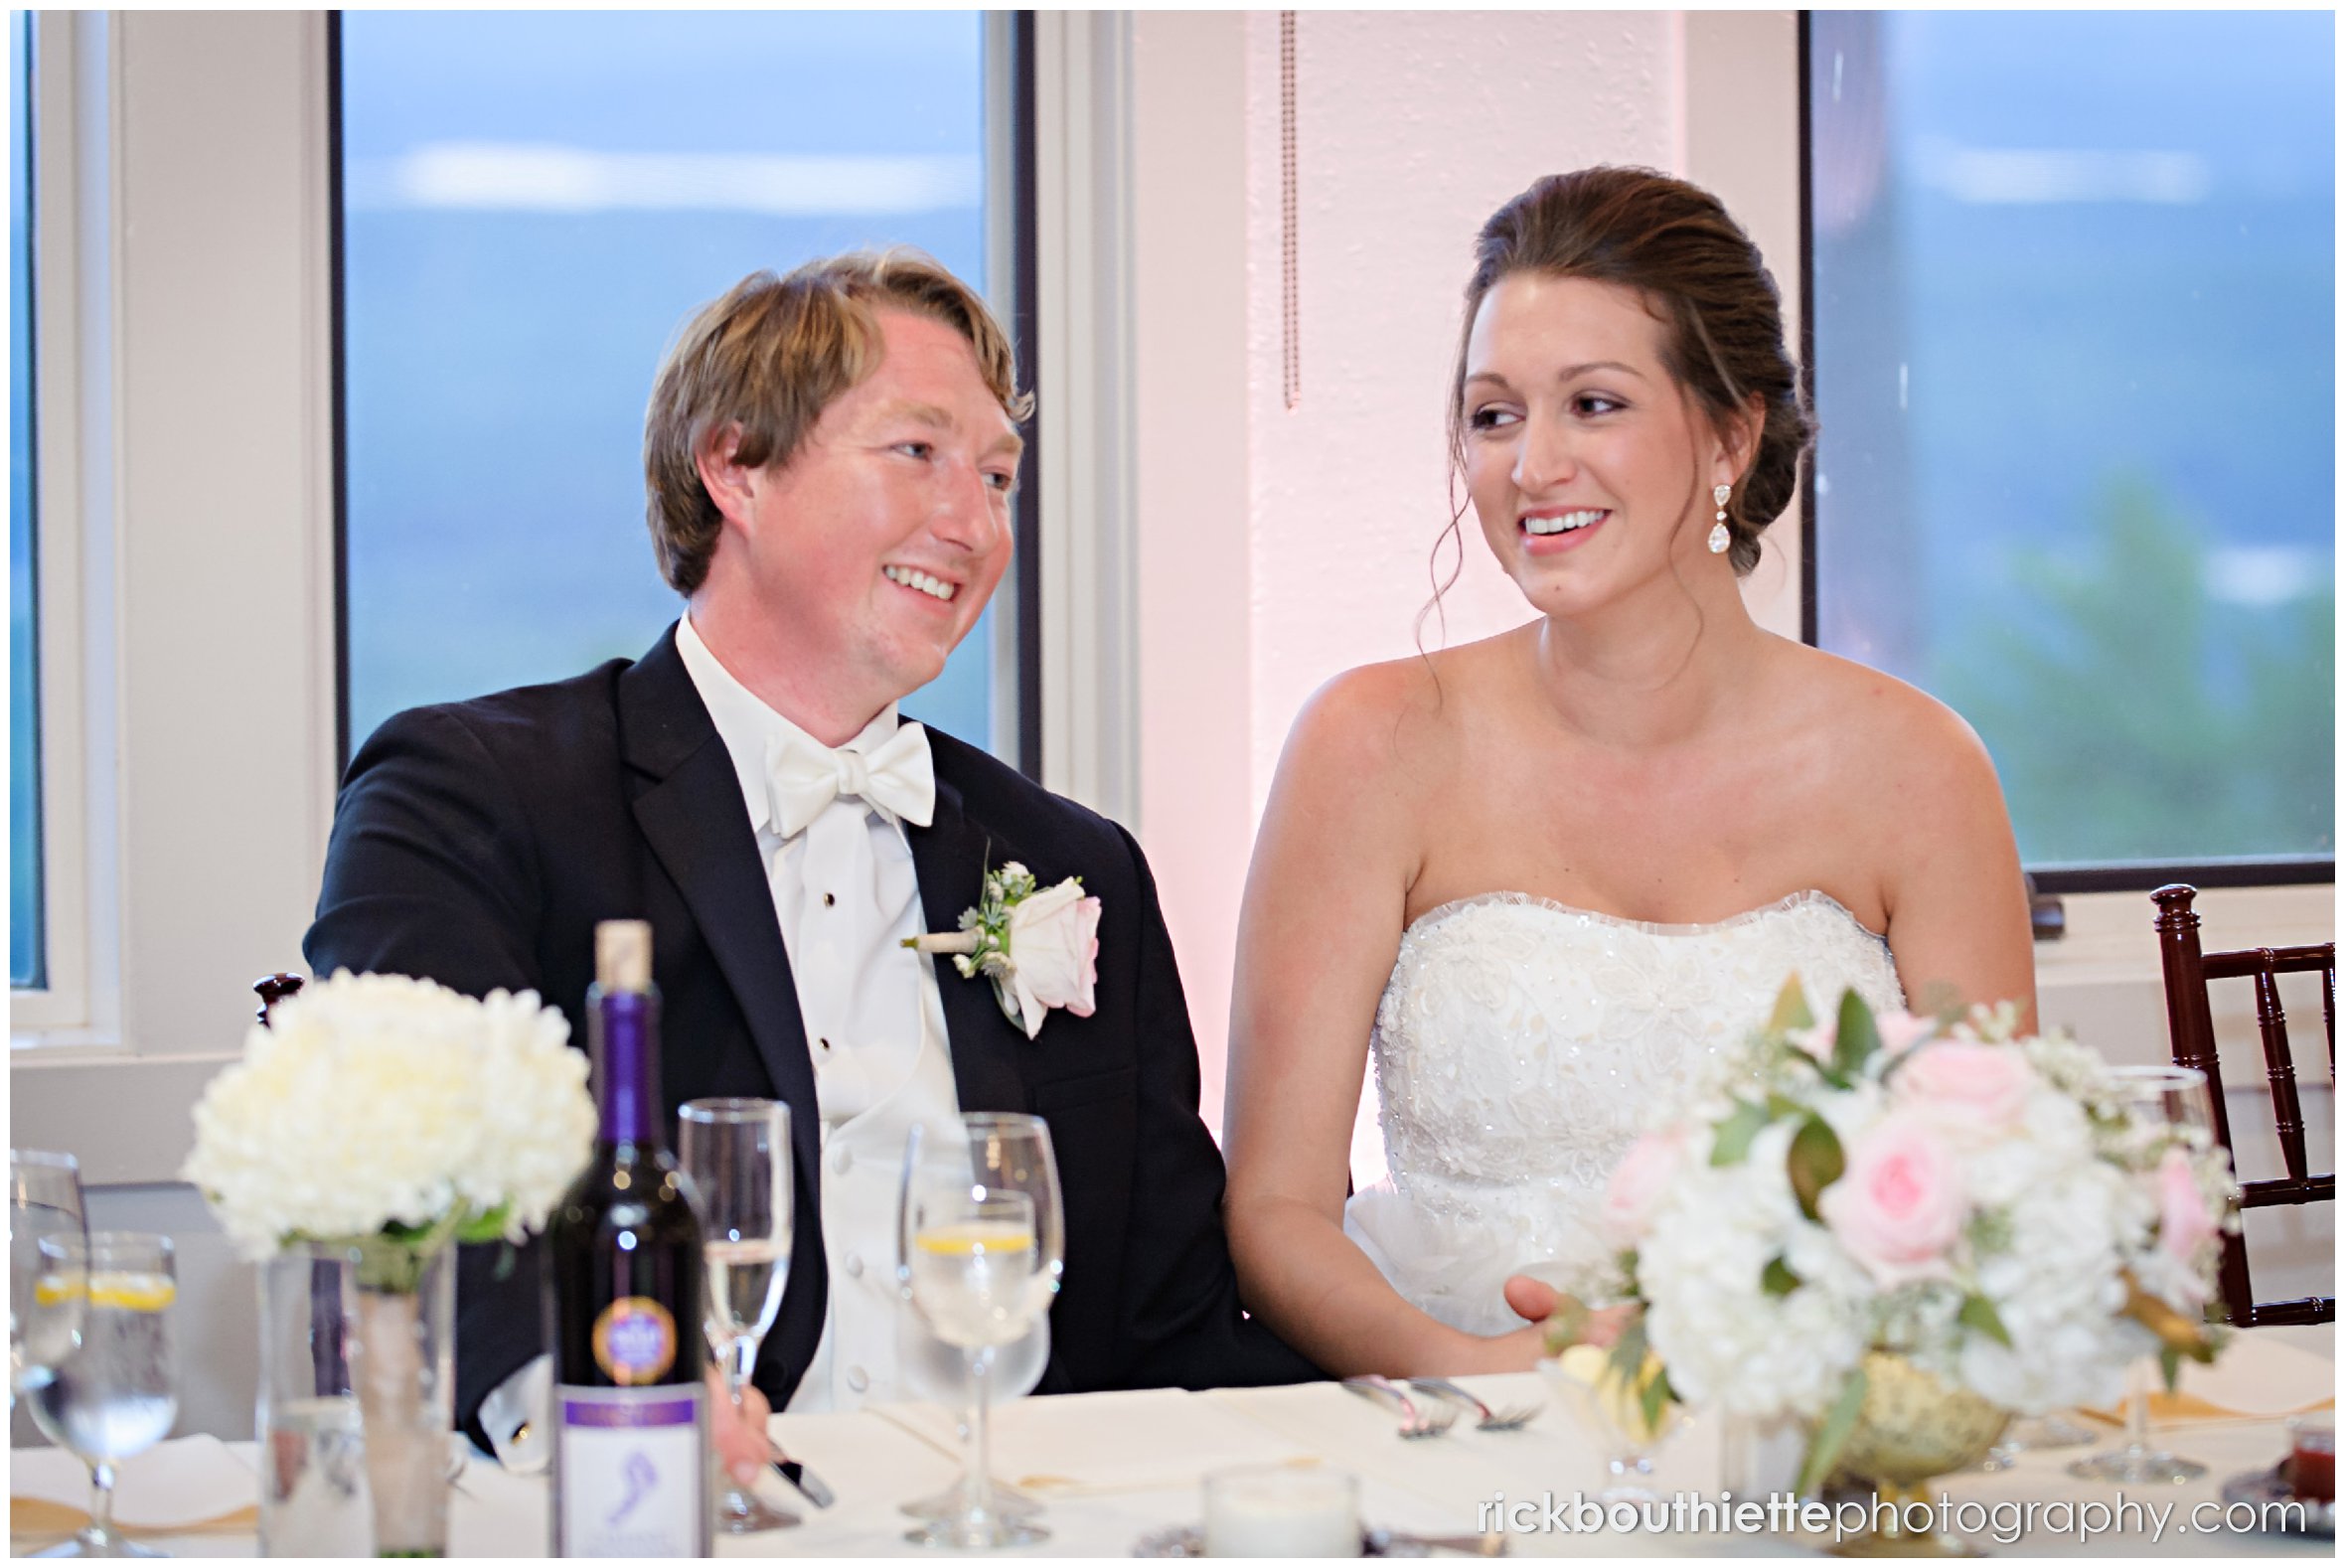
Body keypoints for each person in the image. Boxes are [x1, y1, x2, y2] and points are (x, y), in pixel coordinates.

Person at [307, 251, 1319, 1485]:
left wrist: (1423, 1424)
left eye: (997, 476)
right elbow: (419, 1169)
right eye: (916, 454)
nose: (973, 522)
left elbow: (1173, 1326)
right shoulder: (475, 791)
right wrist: (601, 1418)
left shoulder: (1074, 862)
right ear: (735, 468)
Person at [1221, 167, 2036, 1379]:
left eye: (1591, 404)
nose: (1530, 465)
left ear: (1730, 432)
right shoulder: (1370, 742)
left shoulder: (1917, 768)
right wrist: (1481, 1378)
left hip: (1808, 1436)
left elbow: (2001, 1194)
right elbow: (1275, 1214)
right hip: (1456, 1437)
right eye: (1493, 416)